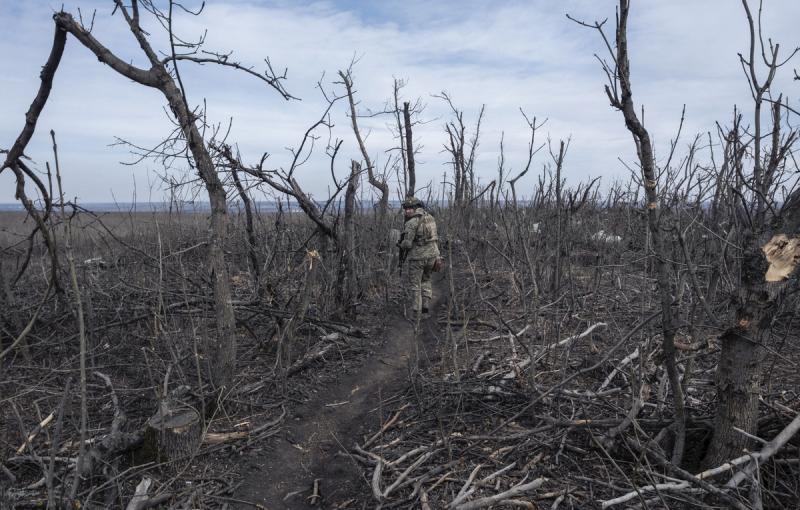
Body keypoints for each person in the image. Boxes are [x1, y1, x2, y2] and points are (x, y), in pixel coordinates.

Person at [398, 196, 440, 318]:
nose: (407, 211)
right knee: (426, 280)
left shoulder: (411, 222)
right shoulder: (430, 218)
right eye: (406, 208)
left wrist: (400, 244)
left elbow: (407, 244)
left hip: (418, 258)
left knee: (415, 284)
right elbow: (435, 238)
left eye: (410, 208)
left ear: (416, 208)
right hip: (432, 255)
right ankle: (425, 308)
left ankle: (416, 312)